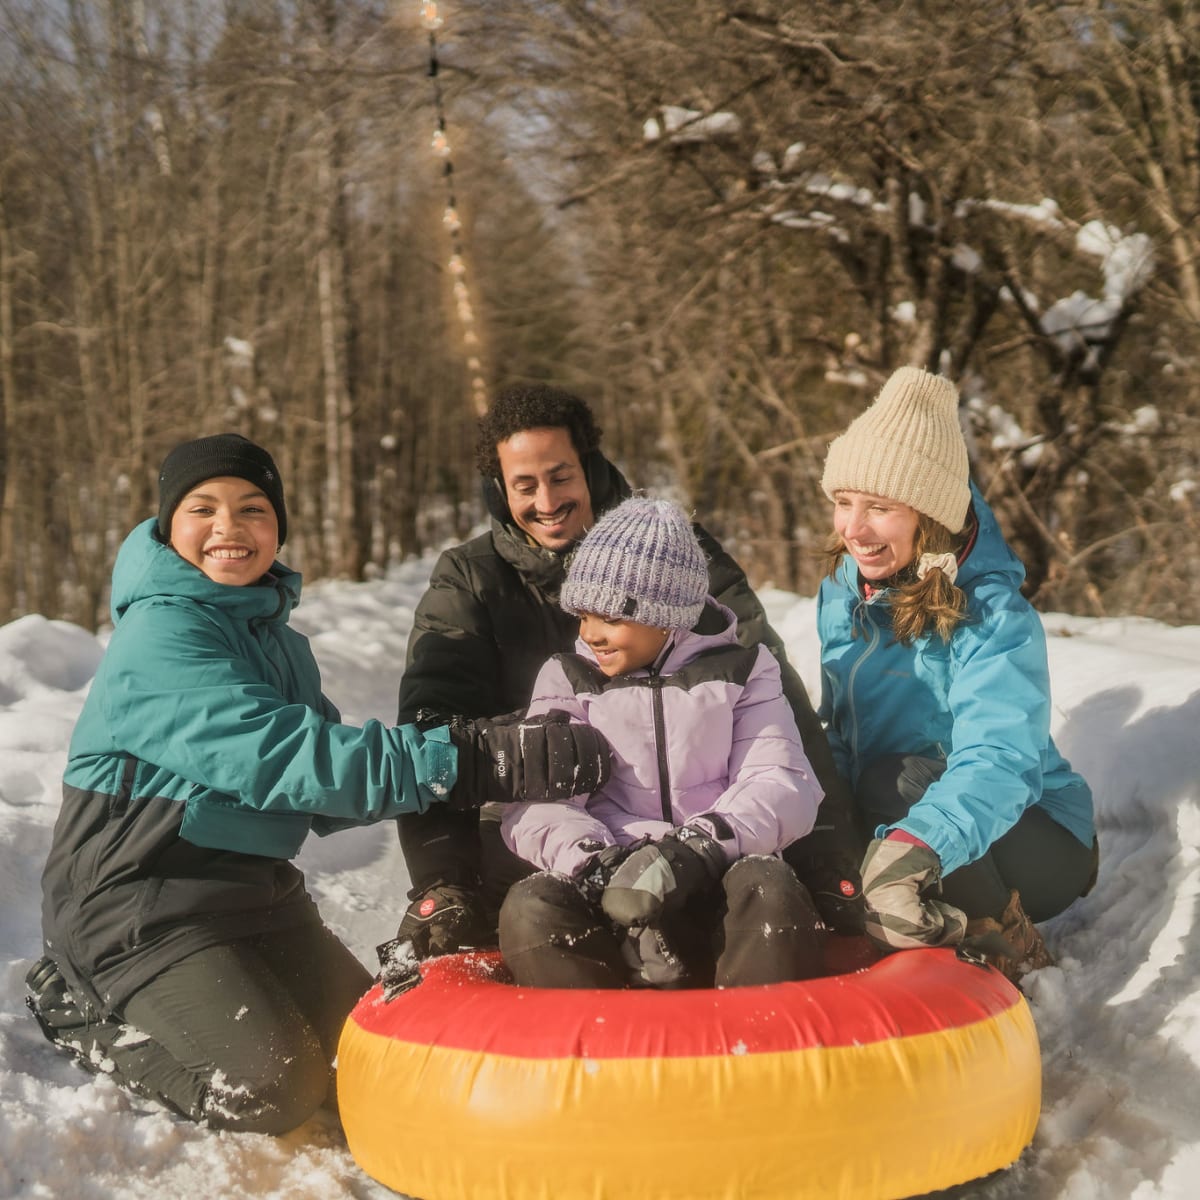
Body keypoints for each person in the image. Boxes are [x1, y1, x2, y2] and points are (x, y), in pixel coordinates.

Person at [26, 433, 609, 1134]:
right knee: (272, 1088)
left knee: (375, 1058)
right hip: (138, 909)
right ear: (166, 524)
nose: (229, 529)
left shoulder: (269, 636)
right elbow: (293, 761)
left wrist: (476, 807)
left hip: (252, 896)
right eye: (202, 509)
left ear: (277, 525)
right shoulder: (162, 637)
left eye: (252, 509)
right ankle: (77, 1013)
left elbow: (334, 782)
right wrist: (476, 756)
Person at [394, 383, 865, 961]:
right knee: (528, 904)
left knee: (765, 889)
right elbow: (433, 729)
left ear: (588, 467)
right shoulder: (471, 579)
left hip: (709, 840)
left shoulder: (675, 557)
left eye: (560, 476)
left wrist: (827, 861)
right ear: (500, 490)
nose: (546, 500)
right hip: (547, 829)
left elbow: (775, 718)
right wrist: (442, 881)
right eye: (524, 484)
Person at [816, 366, 1098, 980]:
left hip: (1034, 839)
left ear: (930, 514)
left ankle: (1004, 936)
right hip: (906, 819)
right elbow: (837, 726)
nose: (854, 529)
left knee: (899, 779)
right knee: (850, 788)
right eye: (844, 502)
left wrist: (918, 844)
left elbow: (1000, 757)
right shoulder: (843, 592)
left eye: (881, 507)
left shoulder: (994, 614)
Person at [498, 497, 826, 989]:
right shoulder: (568, 678)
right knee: (530, 907)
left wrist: (693, 852)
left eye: (609, 618)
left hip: (716, 875)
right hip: (610, 887)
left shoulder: (743, 671)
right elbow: (539, 800)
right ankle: (593, 1042)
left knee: (771, 888)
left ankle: (757, 1039)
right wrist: (600, 866)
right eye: (582, 616)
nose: (590, 635)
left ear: (667, 614)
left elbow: (780, 780)